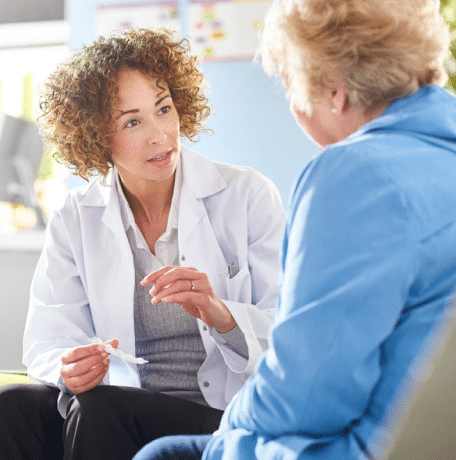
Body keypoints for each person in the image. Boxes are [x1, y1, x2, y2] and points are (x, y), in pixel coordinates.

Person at [133, 1, 456, 459]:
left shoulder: (353, 174)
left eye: (289, 83)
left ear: (334, 92)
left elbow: (306, 394)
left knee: (163, 455)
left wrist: (229, 429)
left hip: (372, 445)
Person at [0, 28, 285, 460]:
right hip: (110, 408)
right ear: (96, 135)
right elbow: (48, 337)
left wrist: (221, 314)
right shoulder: (76, 215)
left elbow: (289, 335)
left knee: (101, 408)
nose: (160, 135)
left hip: (217, 415)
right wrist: (70, 367)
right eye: (132, 122)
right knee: (4, 406)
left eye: (164, 109)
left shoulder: (247, 196)